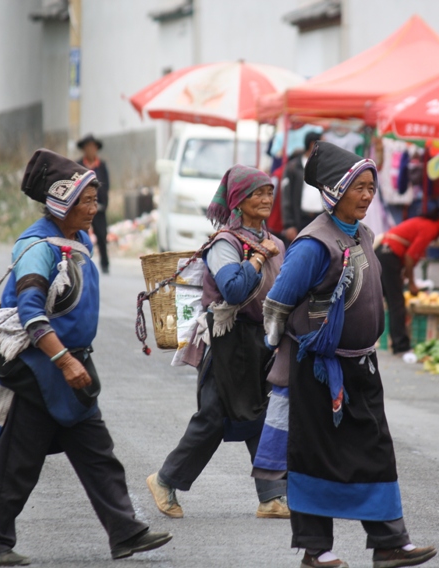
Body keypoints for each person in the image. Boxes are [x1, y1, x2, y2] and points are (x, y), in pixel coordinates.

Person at [0, 149, 170, 566]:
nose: (95, 207)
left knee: (97, 453)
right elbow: (32, 313)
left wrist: (75, 362)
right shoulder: (37, 247)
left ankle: (125, 532)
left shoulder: (79, 241)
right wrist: (65, 361)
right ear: (60, 203)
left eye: (95, 199)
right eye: (87, 200)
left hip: (70, 367)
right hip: (38, 369)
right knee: (19, 462)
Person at [262, 141, 436, 568]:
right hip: (321, 371)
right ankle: (316, 550)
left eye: (370, 187)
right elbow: (278, 303)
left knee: (375, 449)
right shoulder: (314, 244)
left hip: (362, 367)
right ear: (334, 191)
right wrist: (284, 350)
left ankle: (390, 542)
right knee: (316, 455)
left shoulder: (362, 235)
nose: (366, 195)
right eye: (358, 187)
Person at [146, 165, 290, 521]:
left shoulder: (277, 242)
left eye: (269, 192)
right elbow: (235, 290)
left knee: (259, 413)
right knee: (213, 416)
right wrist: (258, 257)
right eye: (257, 193)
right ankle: (165, 480)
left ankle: (271, 497)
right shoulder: (225, 244)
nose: (266, 199)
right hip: (228, 341)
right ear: (239, 200)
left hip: (261, 341)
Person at [375, 206, 439, 354]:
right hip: (389, 254)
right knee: (396, 302)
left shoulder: (429, 225)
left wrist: (404, 273)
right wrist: (412, 283)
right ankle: (400, 345)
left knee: (380, 298)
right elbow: (410, 256)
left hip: (387, 254)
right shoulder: (431, 227)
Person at [77, 133, 110, 273]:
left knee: (102, 235)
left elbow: (107, 184)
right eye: (88, 147)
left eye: (93, 147)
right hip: (83, 207)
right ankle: (82, 262)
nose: (90, 150)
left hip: (99, 207)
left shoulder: (101, 166)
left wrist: (102, 200)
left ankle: (105, 264)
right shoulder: (78, 165)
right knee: (82, 235)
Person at [282, 131, 324, 242]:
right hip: (300, 220)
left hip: (320, 219)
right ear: (313, 144)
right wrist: (289, 224)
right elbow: (286, 196)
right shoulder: (293, 167)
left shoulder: (324, 166)